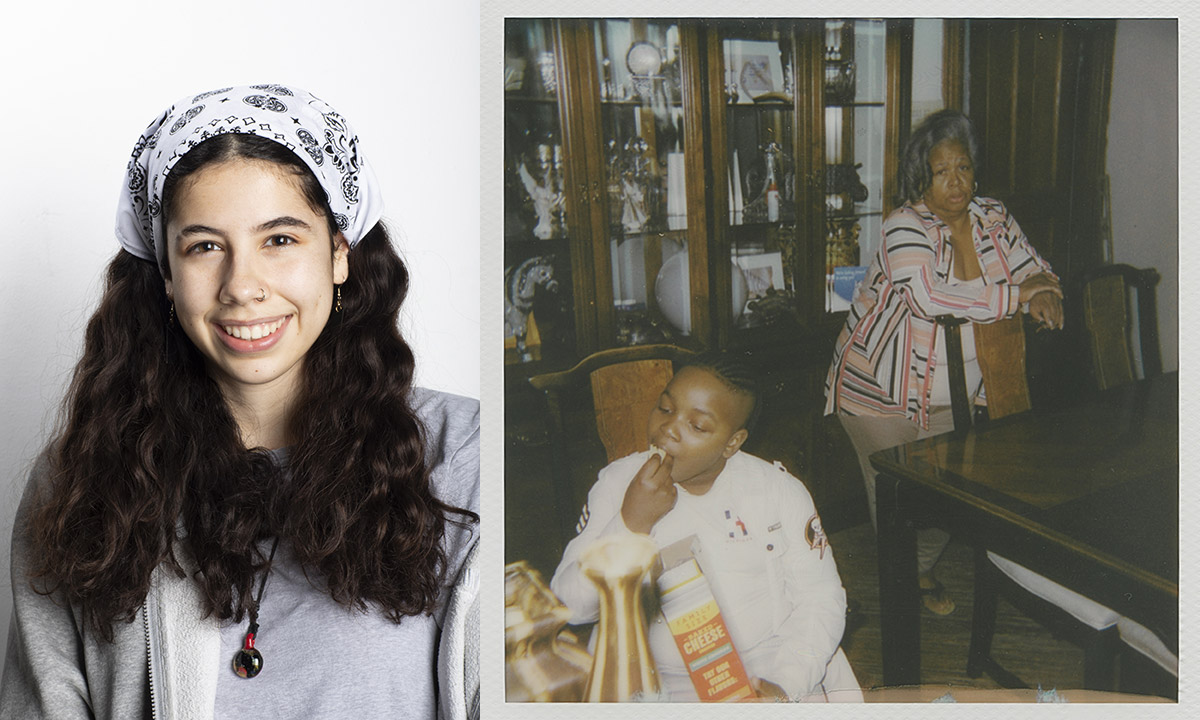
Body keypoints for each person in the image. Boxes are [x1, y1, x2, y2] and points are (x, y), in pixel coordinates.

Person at [1, 84, 480, 719]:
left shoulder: (466, 456)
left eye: (280, 239)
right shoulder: (83, 477)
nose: (242, 286)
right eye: (204, 246)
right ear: (166, 276)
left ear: (339, 253)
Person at [824, 109, 1062, 615]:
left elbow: (1034, 267)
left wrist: (1048, 291)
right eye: (941, 171)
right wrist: (1016, 298)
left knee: (943, 502)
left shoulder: (993, 216)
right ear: (921, 174)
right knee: (895, 500)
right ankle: (898, 604)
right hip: (878, 392)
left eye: (964, 168)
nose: (956, 182)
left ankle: (917, 570)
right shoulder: (902, 226)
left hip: (960, 393)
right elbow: (932, 297)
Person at [551, 353, 860, 702]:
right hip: (656, 682)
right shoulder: (618, 485)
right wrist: (631, 523)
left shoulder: (776, 490)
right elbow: (571, 607)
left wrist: (782, 685)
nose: (669, 429)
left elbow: (821, 598)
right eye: (665, 409)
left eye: (697, 426)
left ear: (732, 443)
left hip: (767, 667)